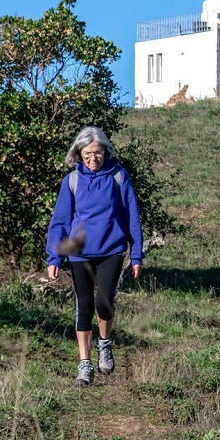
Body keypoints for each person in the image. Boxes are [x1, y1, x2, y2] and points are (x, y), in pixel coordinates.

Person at [45, 126, 144, 388]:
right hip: (79, 254)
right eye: (87, 153)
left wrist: (136, 256)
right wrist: (53, 258)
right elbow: (60, 222)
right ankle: (84, 366)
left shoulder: (119, 177)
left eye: (97, 153)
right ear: (78, 153)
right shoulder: (72, 181)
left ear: (105, 151)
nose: (92, 158)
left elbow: (131, 217)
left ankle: (105, 344)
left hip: (112, 249)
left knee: (104, 304)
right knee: (84, 307)